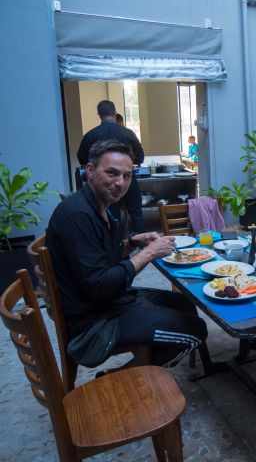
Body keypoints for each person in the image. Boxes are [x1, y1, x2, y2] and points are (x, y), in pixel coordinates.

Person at [47, 139, 207, 368]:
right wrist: (148, 253)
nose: (120, 183)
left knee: (183, 303)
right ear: (90, 171)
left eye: (127, 176)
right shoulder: (77, 215)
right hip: (94, 324)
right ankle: (117, 382)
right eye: (111, 173)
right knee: (195, 331)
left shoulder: (100, 206)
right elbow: (99, 284)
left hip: (109, 302)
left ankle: (147, 363)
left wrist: (132, 242)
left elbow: (101, 256)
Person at [77, 100, 145, 233]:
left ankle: (115, 245)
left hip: (104, 184)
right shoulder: (127, 133)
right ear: (114, 113)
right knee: (136, 213)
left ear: (99, 115)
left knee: (111, 216)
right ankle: (143, 244)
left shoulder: (91, 135)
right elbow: (140, 157)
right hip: (128, 182)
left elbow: (82, 158)